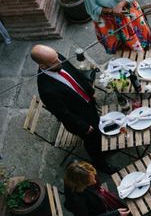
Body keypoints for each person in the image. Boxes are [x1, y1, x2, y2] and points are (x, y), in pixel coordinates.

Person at [31, 44, 117, 174]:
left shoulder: (56, 58)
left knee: (98, 128)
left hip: (88, 103)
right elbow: (63, 114)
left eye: (57, 57)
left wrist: (89, 90)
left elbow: (75, 72)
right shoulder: (46, 89)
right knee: (92, 142)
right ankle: (101, 164)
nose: (60, 61)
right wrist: (83, 127)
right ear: (43, 66)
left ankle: (105, 146)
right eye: (55, 62)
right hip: (80, 119)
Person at [63, 161, 137, 216]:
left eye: (94, 176)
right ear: (82, 184)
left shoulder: (79, 172)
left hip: (100, 199)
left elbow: (94, 181)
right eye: (90, 182)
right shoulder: (76, 199)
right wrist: (114, 214)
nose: (95, 181)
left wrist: (98, 188)